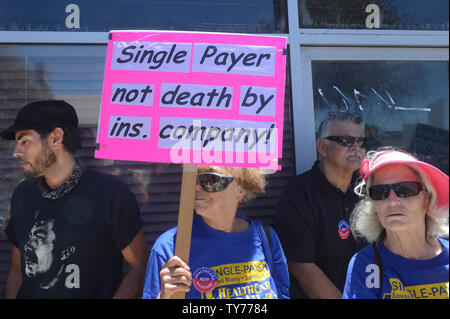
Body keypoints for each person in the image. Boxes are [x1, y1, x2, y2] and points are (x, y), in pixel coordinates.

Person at [1, 100, 149, 298]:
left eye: (25, 141)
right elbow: (17, 271)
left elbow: (139, 267)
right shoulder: (23, 195)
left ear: (56, 138)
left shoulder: (110, 194)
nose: (16, 152)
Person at [142, 165, 290, 299]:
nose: (197, 186)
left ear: (241, 190)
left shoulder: (266, 238)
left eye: (211, 180)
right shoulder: (171, 246)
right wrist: (163, 296)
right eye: (194, 178)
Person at [274, 112, 367, 298]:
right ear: (322, 147)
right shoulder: (300, 192)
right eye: (346, 140)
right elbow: (301, 267)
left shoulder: (369, 191)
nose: (356, 147)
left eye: (361, 141)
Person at [343, 148, 449, 299]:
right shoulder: (366, 265)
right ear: (374, 206)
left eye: (405, 189)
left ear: (427, 198)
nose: (392, 202)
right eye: (380, 192)